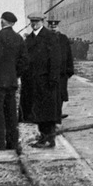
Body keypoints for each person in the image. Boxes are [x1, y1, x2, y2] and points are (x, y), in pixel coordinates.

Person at [0, 11, 27, 153]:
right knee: (11, 113)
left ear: (2, 21)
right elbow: (24, 61)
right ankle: (12, 142)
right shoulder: (18, 38)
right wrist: (15, 74)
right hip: (11, 82)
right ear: (13, 23)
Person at [28, 16, 72, 149]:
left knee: (48, 111)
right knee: (43, 112)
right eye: (32, 22)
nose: (34, 24)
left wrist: (54, 80)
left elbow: (56, 60)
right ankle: (45, 137)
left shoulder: (51, 37)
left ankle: (48, 138)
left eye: (36, 22)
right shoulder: (31, 38)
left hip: (48, 81)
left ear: (41, 22)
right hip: (37, 81)